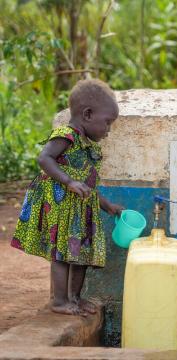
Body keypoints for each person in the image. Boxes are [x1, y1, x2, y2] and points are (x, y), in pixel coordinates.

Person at [11, 79, 124, 316]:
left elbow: (89, 187)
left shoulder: (88, 147)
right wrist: (69, 182)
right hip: (62, 209)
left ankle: (75, 297)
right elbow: (44, 159)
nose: (109, 130)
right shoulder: (66, 135)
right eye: (107, 122)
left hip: (80, 212)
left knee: (80, 256)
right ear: (87, 114)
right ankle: (59, 301)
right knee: (61, 255)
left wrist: (108, 206)